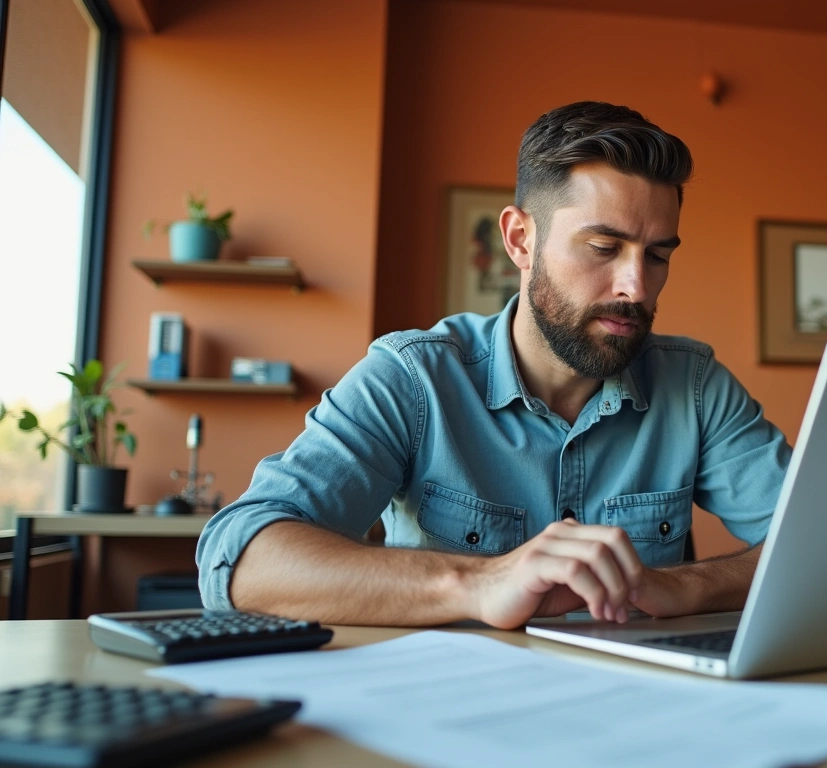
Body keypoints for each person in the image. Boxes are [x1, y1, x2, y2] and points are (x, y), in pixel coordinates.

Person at [196, 101, 792, 630]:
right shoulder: (412, 379)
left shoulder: (694, 387)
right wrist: (479, 584)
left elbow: (825, 546)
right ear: (520, 240)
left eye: (658, 255)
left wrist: (685, 585)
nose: (636, 287)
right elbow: (240, 558)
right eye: (604, 249)